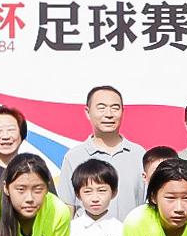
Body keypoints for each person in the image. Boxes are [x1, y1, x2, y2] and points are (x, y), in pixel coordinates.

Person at [60, 85, 147, 215]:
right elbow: (67, 208)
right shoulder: (74, 157)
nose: (109, 114)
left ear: (123, 112)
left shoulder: (139, 155)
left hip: (130, 235)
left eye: (115, 108)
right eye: (101, 108)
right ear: (87, 112)